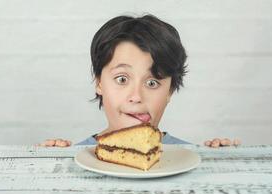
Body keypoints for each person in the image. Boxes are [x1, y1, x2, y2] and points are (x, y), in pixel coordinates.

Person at [39, 14, 240, 148]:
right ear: (99, 83)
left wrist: (223, 163)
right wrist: (47, 163)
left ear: (170, 91)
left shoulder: (189, 156)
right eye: (122, 79)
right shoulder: (76, 156)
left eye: (152, 83)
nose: (136, 97)